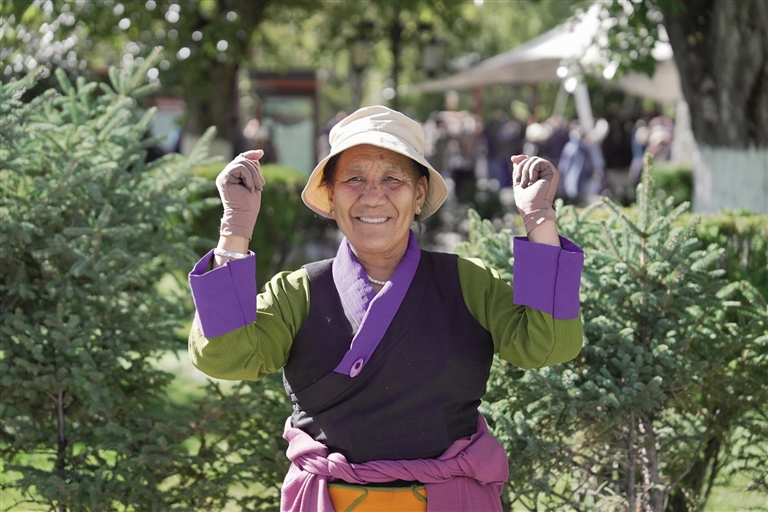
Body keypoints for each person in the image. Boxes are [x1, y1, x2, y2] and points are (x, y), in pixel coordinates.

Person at [187, 105, 584, 512]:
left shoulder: (468, 282)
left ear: (419, 194)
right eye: (354, 178)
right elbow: (224, 356)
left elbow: (549, 344)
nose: (373, 195)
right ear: (330, 195)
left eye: (393, 179)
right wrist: (235, 226)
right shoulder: (299, 292)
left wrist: (539, 218)